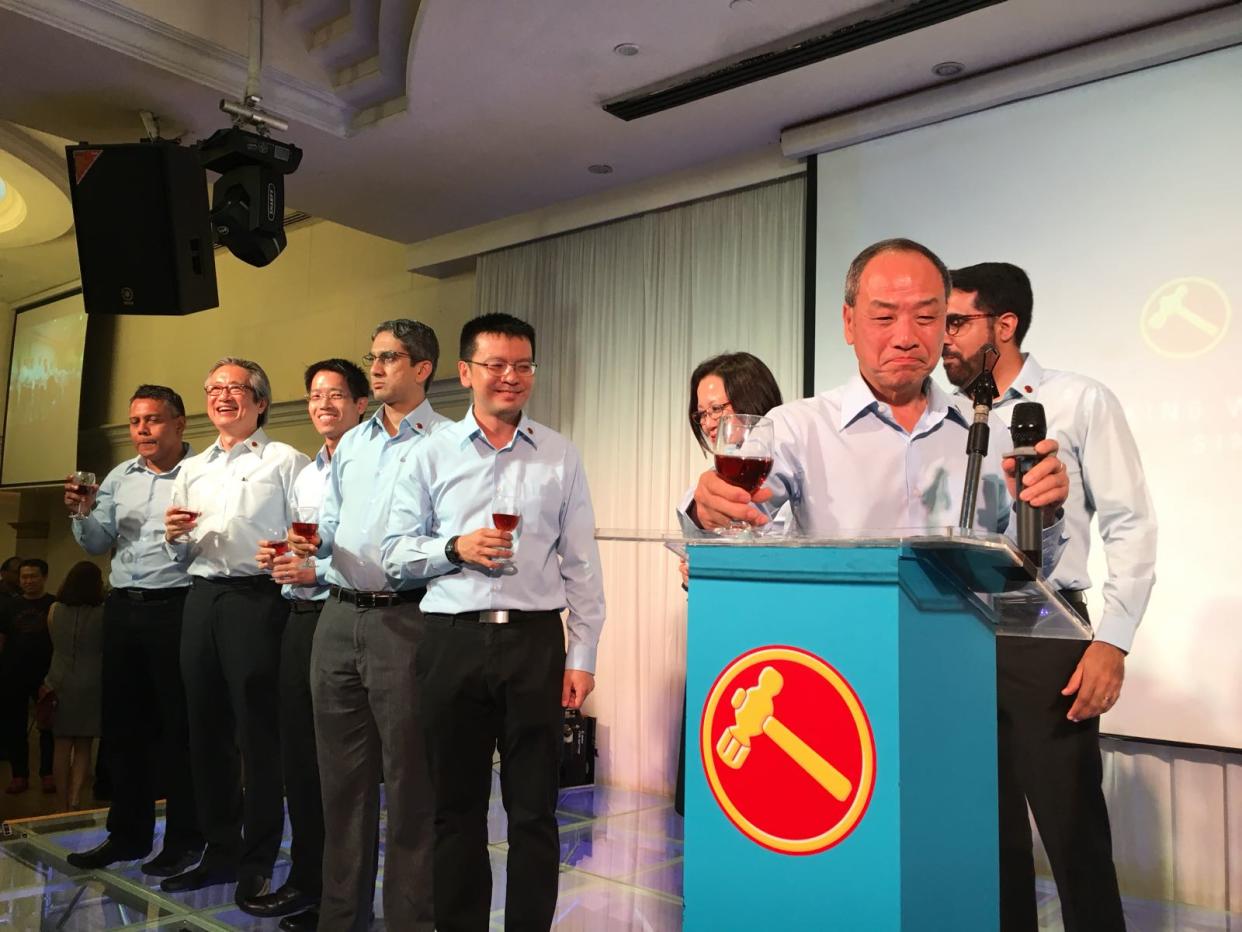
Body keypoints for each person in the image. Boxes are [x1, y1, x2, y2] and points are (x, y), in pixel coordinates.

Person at [942, 261, 1155, 932]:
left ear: (1003, 326)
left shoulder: (1079, 400)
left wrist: (1113, 641)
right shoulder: (941, 415)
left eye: (955, 322)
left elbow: (1130, 523)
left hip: (1045, 621)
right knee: (986, 834)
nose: (940, 338)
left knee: (1071, 833)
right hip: (953, 627)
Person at [381, 312, 606, 932]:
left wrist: (582, 656)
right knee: (455, 813)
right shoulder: (430, 454)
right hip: (450, 641)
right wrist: (454, 548)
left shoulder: (559, 454)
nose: (511, 377)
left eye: (523, 365)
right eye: (497, 365)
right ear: (466, 372)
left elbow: (582, 563)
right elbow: (395, 551)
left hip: (534, 643)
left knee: (535, 812)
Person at [686, 239, 1070, 556]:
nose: (905, 337)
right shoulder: (797, 428)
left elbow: (1024, 573)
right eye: (884, 318)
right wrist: (707, 511)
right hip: (837, 645)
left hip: (961, 644)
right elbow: (724, 521)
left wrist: (1045, 516)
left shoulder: (990, 433)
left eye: (925, 317)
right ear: (849, 323)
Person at [289, 320, 447, 932]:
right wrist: (302, 556)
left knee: (411, 787)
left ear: (423, 367)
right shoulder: (352, 443)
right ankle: (340, 919)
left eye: (389, 358)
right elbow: (329, 526)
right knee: (341, 786)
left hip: (406, 622)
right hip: (335, 618)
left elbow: (450, 540)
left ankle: (409, 921)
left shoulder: (449, 442)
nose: (376, 368)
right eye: (373, 358)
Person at [160, 358, 308, 904]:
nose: (223, 396)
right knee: (206, 732)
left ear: (261, 401)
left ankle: (258, 859)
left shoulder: (286, 460)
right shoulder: (193, 467)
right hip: (201, 598)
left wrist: (289, 553)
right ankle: (218, 851)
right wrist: (173, 536)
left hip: (257, 600)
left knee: (258, 736)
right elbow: (180, 550)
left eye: (235, 388)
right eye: (214, 388)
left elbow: (307, 535)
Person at [246, 359, 369, 932]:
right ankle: (307, 881)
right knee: (299, 760)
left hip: (348, 617)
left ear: (362, 403)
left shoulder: (373, 461)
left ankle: (342, 899)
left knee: (342, 771)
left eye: (337, 395)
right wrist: (283, 559)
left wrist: (314, 569)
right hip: (298, 617)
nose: (323, 404)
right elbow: (308, 546)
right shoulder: (307, 471)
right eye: (315, 395)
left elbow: (366, 555)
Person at [63, 384, 202, 875]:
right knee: (123, 729)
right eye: (136, 421)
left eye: (154, 420)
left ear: (180, 423)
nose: (143, 430)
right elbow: (97, 542)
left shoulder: (202, 473)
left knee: (178, 730)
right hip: (122, 607)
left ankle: (186, 838)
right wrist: (82, 511)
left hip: (178, 606)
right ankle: (127, 836)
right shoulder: (121, 475)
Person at [675, 352, 784, 813]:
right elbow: (693, 542)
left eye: (719, 409)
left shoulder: (796, 469)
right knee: (716, 799)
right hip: (723, 648)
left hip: (782, 652)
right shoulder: (706, 489)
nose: (710, 422)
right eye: (702, 414)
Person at [42, 561, 106, 810]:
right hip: (92, 681)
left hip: (59, 679)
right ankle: (76, 797)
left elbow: (54, 643)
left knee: (61, 743)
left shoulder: (54, 609)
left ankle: (60, 801)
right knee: (83, 745)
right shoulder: (104, 612)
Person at [0, 559, 57, 795]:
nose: (28, 581)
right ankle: (19, 775)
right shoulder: (8, 606)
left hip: (46, 673)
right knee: (14, 726)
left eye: (33, 576)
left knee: (48, 725)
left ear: (43, 577)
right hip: (13, 672)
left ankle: (48, 773)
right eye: (24, 577)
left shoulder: (54, 604)